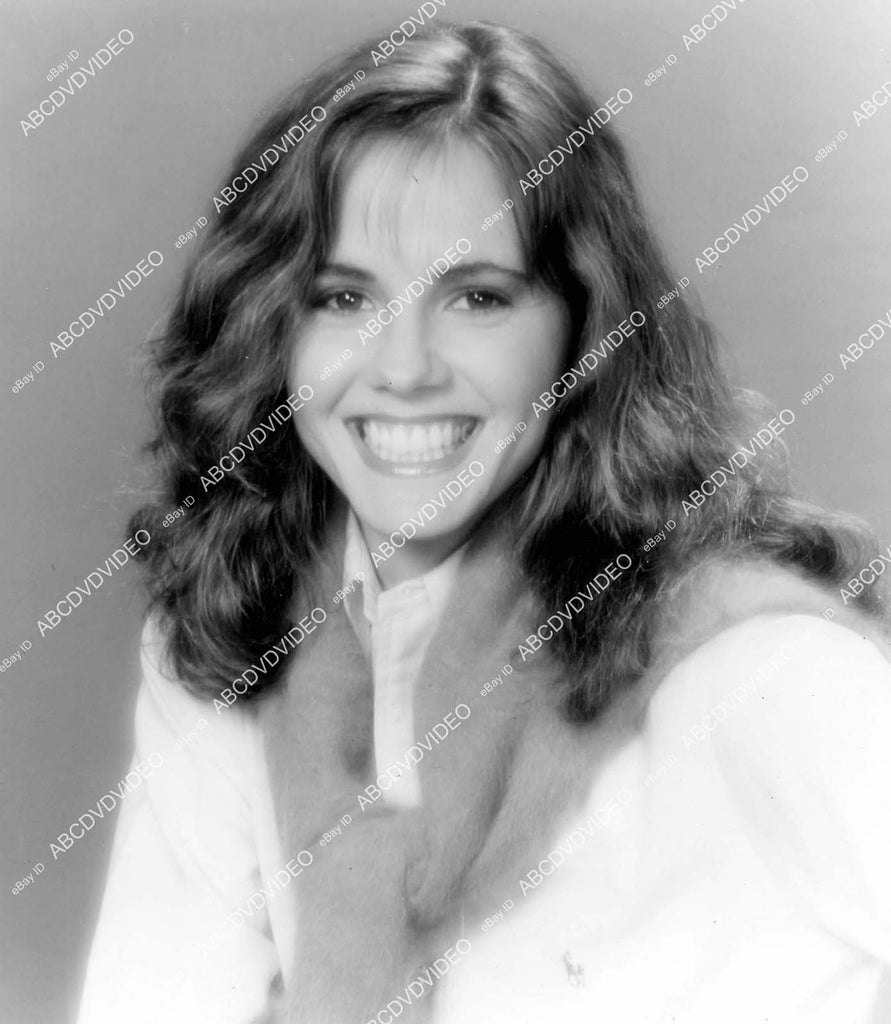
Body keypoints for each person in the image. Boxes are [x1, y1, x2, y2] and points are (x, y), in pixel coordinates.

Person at [77, 18, 891, 1024]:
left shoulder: (758, 672)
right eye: (343, 297)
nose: (404, 368)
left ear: (583, 329)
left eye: (476, 298)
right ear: (271, 326)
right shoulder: (229, 641)